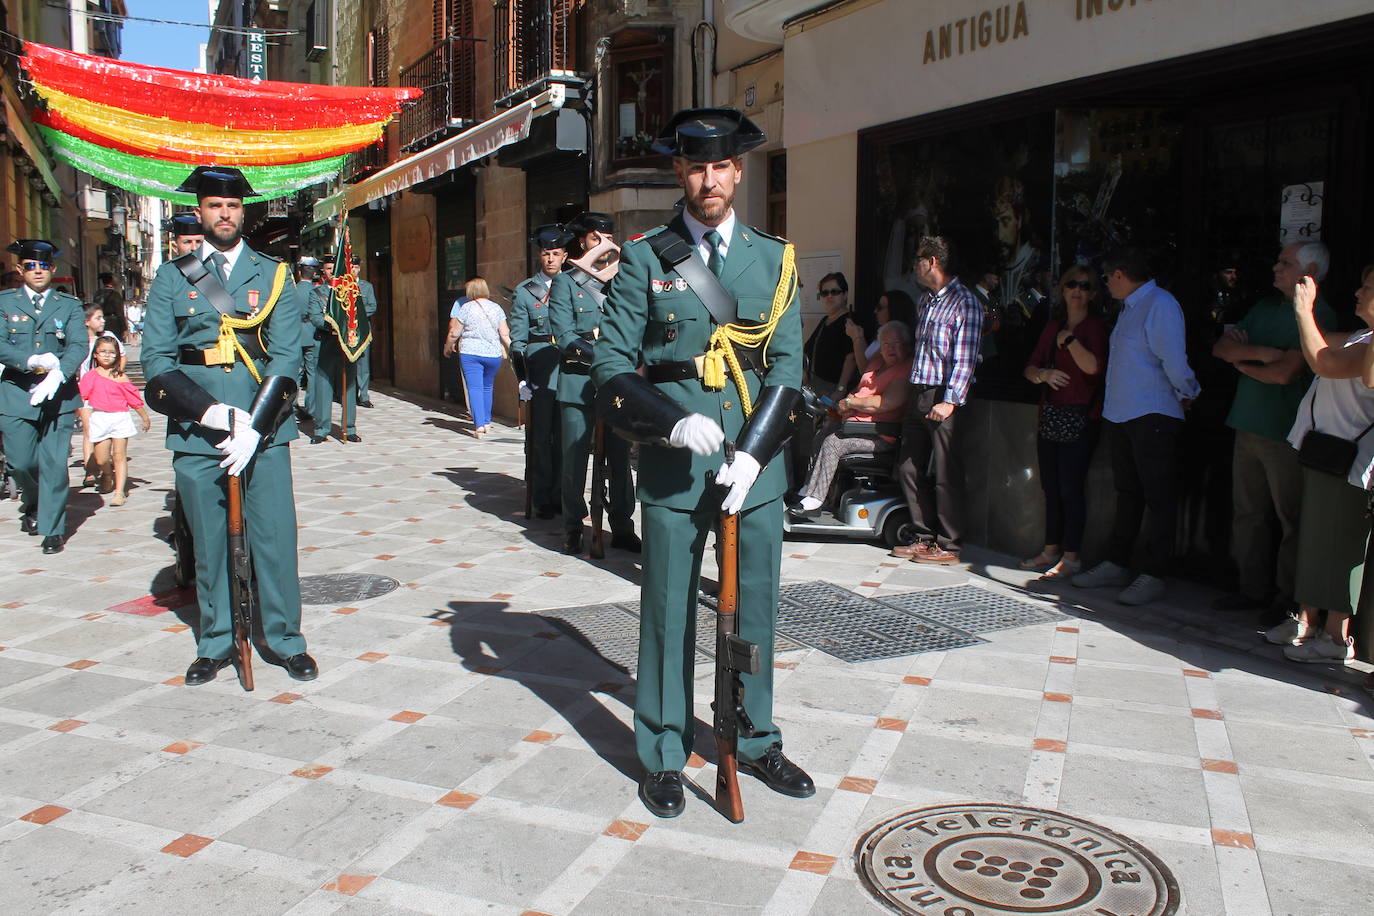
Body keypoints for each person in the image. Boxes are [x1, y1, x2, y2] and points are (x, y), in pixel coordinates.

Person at [592, 107, 811, 819]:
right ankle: (661, 747)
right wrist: (671, 421)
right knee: (666, 612)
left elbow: (786, 367)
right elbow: (610, 368)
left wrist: (753, 453)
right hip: (673, 464)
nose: (708, 180)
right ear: (679, 173)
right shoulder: (647, 257)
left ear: (738, 172)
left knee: (755, 612)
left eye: (720, 166)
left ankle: (752, 737)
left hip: (756, 469)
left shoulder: (774, 259)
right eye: (695, 166)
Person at [142, 165, 315, 686]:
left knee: (274, 537)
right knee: (211, 540)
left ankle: (285, 639)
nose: (224, 213)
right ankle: (215, 640)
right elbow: (156, 361)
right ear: (201, 211)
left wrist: (254, 427)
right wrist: (211, 413)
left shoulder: (274, 274)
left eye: (233, 205)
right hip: (198, 428)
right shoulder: (173, 278)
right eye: (214, 205)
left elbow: (287, 359)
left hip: (264, 427)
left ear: (245, 211)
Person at [1211, 242, 1336, 613]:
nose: (1276, 267)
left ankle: (1287, 601)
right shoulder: (1264, 307)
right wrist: (1265, 355)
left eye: (1286, 262)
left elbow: (1286, 374)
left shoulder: (1319, 315)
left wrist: (1246, 361)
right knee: (1247, 513)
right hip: (1247, 423)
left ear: (1309, 272)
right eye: (1278, 260)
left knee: (1290, 519)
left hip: (1286, 433)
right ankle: (1251, 590)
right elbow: (1221, 349)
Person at [1073, 247, 1200, 605]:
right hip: (1122, 413)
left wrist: (1188, 390)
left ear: (1119, 274)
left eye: (1108, 278)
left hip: (1153, 412)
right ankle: (1117, 562)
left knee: (1158, 497)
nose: (1106, 286)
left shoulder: (1160, 304)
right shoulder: (1130, 307)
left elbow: (1172, 357)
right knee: (1128, 493)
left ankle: (1153, 572)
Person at [1263, 271, 1374, 663]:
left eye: (1368, 288)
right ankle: (1305, 622)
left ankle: (1336, 638)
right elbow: (1322, 345)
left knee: (1341, 547)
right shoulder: (1362, 337)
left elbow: (1324, 363)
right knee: (1314, 541)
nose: (1358, 292)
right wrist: (1305, 317)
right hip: (1325, 452)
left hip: (1352, 460)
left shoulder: (1371, 346)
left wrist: (1304, 309)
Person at [890, 235, 984, 566]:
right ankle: (923, 536)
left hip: (944, 395)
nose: (913, 266)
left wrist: (951, 401)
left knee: (946, 472)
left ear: (932, 262)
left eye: (917, 259)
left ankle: (949, 544)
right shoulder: (925, 301)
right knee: (908, 466)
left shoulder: (964, 302)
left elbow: (966, 357)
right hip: (919, 391)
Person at [550, 212, 639, 555]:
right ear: (583, 242)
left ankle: (623, 526)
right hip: (578, 382)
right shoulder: (567, 283)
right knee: (574, 459)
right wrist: (599, 357)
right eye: (594, 238)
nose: (601, 244)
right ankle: (573, 525)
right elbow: (563, 333)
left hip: (616, 383)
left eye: (607, 238)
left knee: (619, 460)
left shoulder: (622, 280)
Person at [1020, 266, 1110, 579]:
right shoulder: (1053, 325)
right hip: (1051, 414)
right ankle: (1051, 549)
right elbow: (1030, 368)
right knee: (1051, 486)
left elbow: (1095, 367)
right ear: (1062, 288)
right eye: (1072, 284)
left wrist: (1069, 340)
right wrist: (1043, 374)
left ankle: (1072, 557)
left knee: (1071, 488)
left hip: (1082, 415)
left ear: (1093, 294)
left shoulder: (1095, 327)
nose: (1078, 290)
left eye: (1085, 286)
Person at [0, 239, 86, 554]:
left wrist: (60, 372)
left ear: (52, 269)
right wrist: (31, 361)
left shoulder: (69, 305)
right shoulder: (5, 303)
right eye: (30, 267)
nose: (38, 272)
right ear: (20, 270)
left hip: (59, 395)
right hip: (16, 393)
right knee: (22, 463)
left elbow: (78, 344)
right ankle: (34, 502)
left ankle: (52, 527)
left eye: (43, 266)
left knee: (53, 463)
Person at [791, 321, 912, 515]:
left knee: (833, 443)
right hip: (856, 425)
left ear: (906, 345)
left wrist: (851, 404)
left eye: (895, 344)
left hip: (881, 434)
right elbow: (861, 383)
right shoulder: (878, 361)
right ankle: (810, 488)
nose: (890, 349)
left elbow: (887, 403)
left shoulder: (905, 369)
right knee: (823, 433)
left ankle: (816, 499)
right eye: (885, 344)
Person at [509, 224, 571, 518]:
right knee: (541, 436)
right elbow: (518, 341)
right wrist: (522, 377)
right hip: (541, 368)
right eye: (546, 253)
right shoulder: (525, 292)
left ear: (565, 256)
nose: (550, 259)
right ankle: (542, 494)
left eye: (555, 253)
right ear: (539, 256)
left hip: (570, 368)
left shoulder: (575, 287)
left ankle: (562, 493)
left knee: (565, 437)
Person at [77, 336, 149, 506]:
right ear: (95, 354)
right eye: (103, 352)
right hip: (99, 418)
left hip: (120, 417)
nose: (107, 356)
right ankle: (107, 475)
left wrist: (144, 417)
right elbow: (80, 397)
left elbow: (133, 399)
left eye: (112, 352)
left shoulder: (121, 376)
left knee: (119, 455)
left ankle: (119, 492)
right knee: (102, 459)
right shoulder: (90, 376)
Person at [444, 277, 510, 439]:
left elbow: (454, 332)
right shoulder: (497, 308)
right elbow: (505, 333)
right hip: (492, 354)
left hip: (471, 353)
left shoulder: (466, 308)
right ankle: (487, 421)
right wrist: (513, 349)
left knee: (474, 388)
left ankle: (479, 424)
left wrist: (447, 346)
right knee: (487, 387)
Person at [307, 258, 363, 444]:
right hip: (327, 343)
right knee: (323, 387)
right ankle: (321, 429)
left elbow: (360, 315)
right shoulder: (317, 293)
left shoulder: (352, 292)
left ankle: (349, 428)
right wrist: (334, 325)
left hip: (348, 345)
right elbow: (315, 317)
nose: (332, 272)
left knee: (349, 387)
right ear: (324, 272)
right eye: (329, 269)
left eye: (335, 269)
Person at [77, 302, 126, 487]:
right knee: (89, 431)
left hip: (107, 392)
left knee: (108, 432)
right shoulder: (78, 339)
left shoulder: (108, 337)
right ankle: (90, 471)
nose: (103, 321)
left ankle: (106, 467)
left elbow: (122, 354)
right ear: (86, 321)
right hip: (86, 391)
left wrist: (116, 376)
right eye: (98, 318)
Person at [803, 271, 856, 395]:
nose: (829, 296)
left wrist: (840, 390)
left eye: (835, 292)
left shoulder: (850, 321)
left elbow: (851, 358)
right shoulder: (825, 320)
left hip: (833, 391)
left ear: (845, 294)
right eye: (825, 293)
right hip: (816, 386)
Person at [847, 289, 915, 375]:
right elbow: (866, 358)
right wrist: (859, 336)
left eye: (879, 307)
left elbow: (865, 370)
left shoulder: (896, 338)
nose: (875, 311)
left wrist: (856, 338)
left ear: (894, 309)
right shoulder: (881, 333)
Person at [350, 256, 378, 408]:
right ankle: (350, 394)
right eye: (351, 267)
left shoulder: (366, 286)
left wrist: (357, 313)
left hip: (362, 329)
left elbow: (372, 306)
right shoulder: (343, 286)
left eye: (355, 267)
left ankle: (364, 395)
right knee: (349, 362)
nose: (354, 269)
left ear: (359, 268)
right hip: (347, 330)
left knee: (363, 364)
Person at [94, 273, 127, 342]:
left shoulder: (98, 293)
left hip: (100, 321)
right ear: (112, 281)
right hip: (113, 323)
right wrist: (124, 328)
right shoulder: (115, 294)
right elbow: (120, 312)